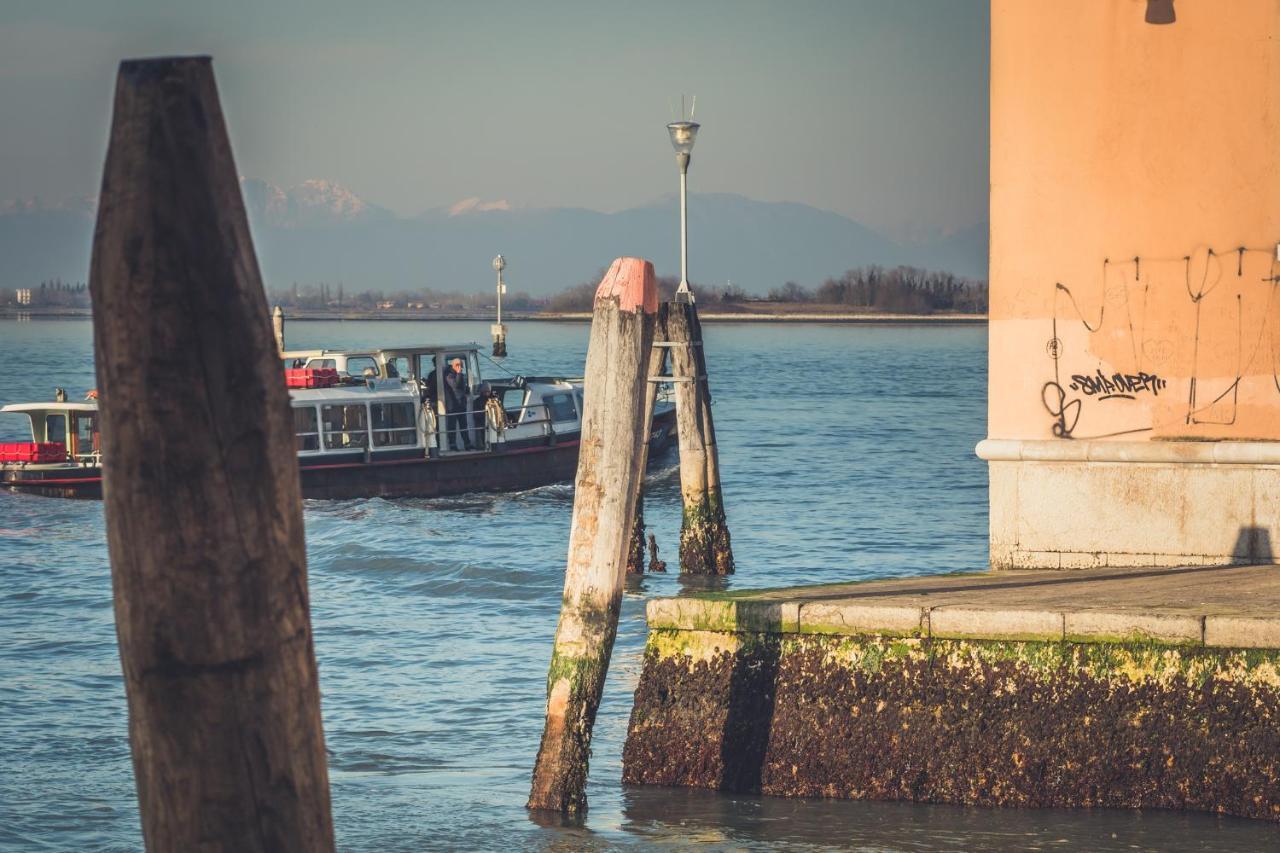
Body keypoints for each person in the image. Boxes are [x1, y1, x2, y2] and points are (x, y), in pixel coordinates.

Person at [443, 356, 474, 451]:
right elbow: (455, 385)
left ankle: (467, 444)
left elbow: (461, 386)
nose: (461, 368)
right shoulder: (449, 374)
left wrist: (466, 389)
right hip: (453, 405)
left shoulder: (458, 374)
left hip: (461, 404)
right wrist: (459, 373)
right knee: (452, 426)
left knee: (463, 425)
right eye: (460, 366)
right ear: (456, 365)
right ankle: (452, 445)